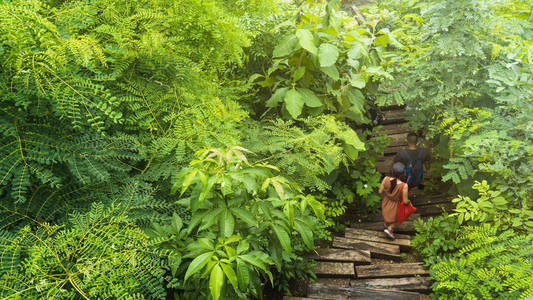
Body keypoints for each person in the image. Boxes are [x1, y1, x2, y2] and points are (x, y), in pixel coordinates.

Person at [379, 162, 411, 239]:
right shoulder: (404, 185)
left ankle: (387, 225)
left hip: (385, 203)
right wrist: (409, 202)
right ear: (403, 173)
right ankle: (389, 228)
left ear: (392, 171)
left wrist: (388, 196)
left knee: (388, 216)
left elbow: (380, 191)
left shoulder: (385, 179)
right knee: (401, 217)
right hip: (395, 206)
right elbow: (405, 201)